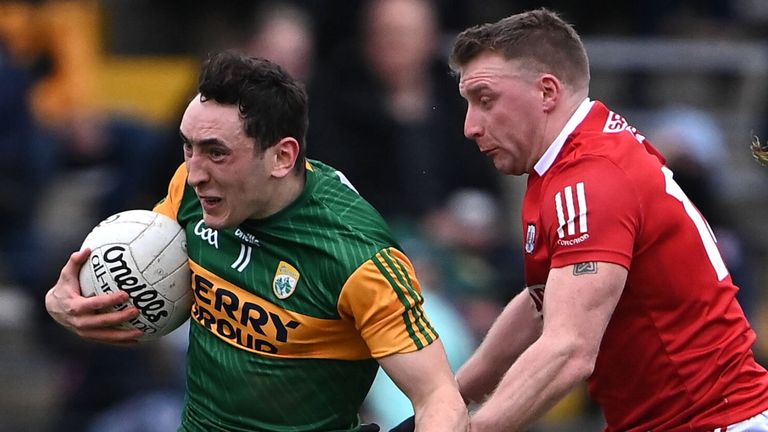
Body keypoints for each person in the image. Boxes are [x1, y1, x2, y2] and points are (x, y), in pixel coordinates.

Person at [45, 50, 468, 432]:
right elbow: (132, 274)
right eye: (188, 147)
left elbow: (440, 399)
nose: (194, 172)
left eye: (216, 152)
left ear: (282, 157)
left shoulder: (357, 255)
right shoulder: (194, 193)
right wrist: (65, 303)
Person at [441, 8, 768, 431]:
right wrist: (447, 399)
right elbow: (543, 299)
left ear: (546, 93)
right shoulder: (567, 160)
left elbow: (569, 350)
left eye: (485, 100)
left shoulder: (591, 177)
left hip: (711, 421)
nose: (470, 126)